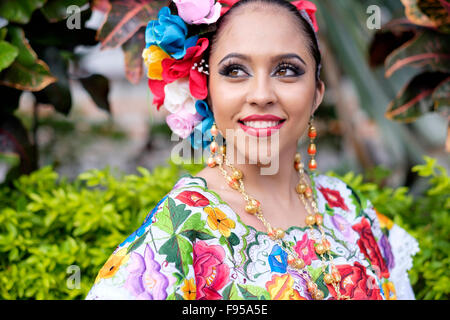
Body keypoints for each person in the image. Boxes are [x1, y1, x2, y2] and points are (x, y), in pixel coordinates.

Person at [86, 0, 419, 300]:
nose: (261, 94)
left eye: (286, 70)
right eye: (235, 71)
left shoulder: (349, 208)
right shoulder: (178, 231)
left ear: (317, 93)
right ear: (207, 91)